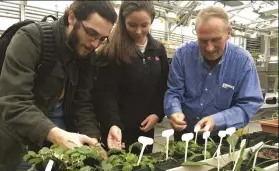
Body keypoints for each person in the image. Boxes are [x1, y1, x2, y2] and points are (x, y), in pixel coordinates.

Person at [0, 1, 117, 170]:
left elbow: (82, 103)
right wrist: (57, 135)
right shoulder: (31, 39)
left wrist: (93, 141)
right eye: (91, 33)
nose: (94, 44)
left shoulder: (87, 55)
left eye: (102, 39)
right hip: (18, 143)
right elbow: (14, 101)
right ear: (71, 17)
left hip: (61, 140)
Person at [164, 7, 263, 143]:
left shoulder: (242, 61)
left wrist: (217, 120)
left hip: (222, 136)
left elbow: (248, 104)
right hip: (185, 133)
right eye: (203, 41)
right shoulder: (182, 55)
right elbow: (174, 91)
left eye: (215, 40)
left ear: (228, 33)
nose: (209, 48)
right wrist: (174, 111)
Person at [93, 1, 169, 153]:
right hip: (116, 130)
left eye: (144, 25)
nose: (139, 31)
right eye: (132, 25)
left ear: (151, 21)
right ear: (123, 21)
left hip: (146, 128)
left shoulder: (158, 50)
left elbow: (163, 86)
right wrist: (113, 123)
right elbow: (106, 94)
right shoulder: (112, 50)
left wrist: (157, 113)